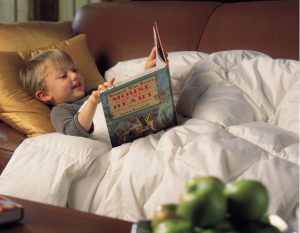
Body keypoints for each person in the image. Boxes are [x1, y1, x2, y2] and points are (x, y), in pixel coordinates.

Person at [19, 47, 157, 137]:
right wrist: (91, 103)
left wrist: (146, 71)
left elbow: (129, 93)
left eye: (74, 70)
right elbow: (73, 132)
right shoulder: (60, 111)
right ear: (44, 95)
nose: (74, 76)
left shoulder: (93, 92)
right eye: (63, 76)